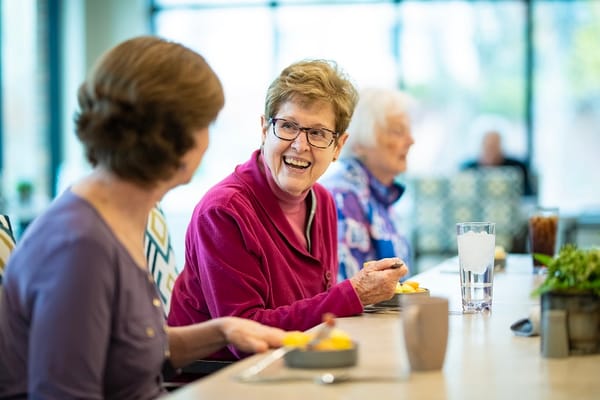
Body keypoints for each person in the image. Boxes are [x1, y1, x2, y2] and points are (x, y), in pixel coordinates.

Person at [0, 36, 285, 399]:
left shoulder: (118, 214)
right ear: (174, 139)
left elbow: (131, 349)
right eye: (205, 126)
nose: (208, 142)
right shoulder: (79, 246)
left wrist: (223, 330)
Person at [167, 59, 409, 361]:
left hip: (295, 366)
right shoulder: (224, 212)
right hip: (225, 380)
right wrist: (353, 294)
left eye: (318, 133)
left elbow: (315, 313)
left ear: (338, 147)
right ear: (264, 129)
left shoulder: (322, 202)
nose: (299, 145)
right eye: (288, 126)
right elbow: (245, 338)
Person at [320, 87, 415, 281]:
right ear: (359, 142)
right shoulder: (343, 197)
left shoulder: (379, 193)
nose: (411, 141)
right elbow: (348, 291)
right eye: (398, 131)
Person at [461, 130, 534, 196]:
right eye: (487, 147)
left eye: (494, 146)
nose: (490, 151)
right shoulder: (468, 170)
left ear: (501, 147)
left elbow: (528, 196)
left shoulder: (517, 168)